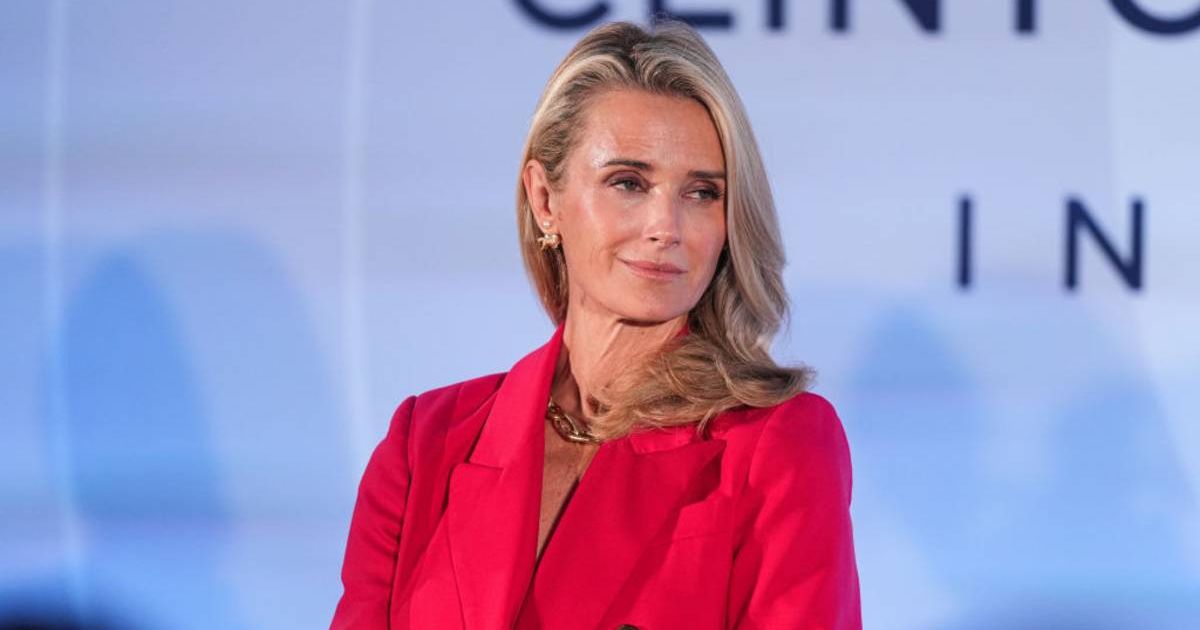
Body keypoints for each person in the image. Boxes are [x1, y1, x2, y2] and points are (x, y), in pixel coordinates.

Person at [330, 18, 861, 630]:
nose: (667, 226)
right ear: (544, 199)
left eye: (702, 194)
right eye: (629, 183)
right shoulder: (426, 444)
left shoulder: (777, 445)